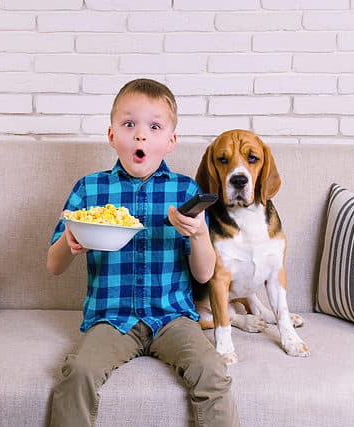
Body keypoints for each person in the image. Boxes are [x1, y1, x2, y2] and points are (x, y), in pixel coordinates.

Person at [46, 78, 239, 427]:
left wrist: (197, 235)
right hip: (111, 318)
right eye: (129, 124)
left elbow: (204, 274)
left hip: (173, 318)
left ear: (170, 141)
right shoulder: (89, 188)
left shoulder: (185, 190)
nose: (140, 135)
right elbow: (53, 265)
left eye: (154, 126)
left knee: (212, 370)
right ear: (111, 135)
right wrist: (70, 241)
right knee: (78, 371)